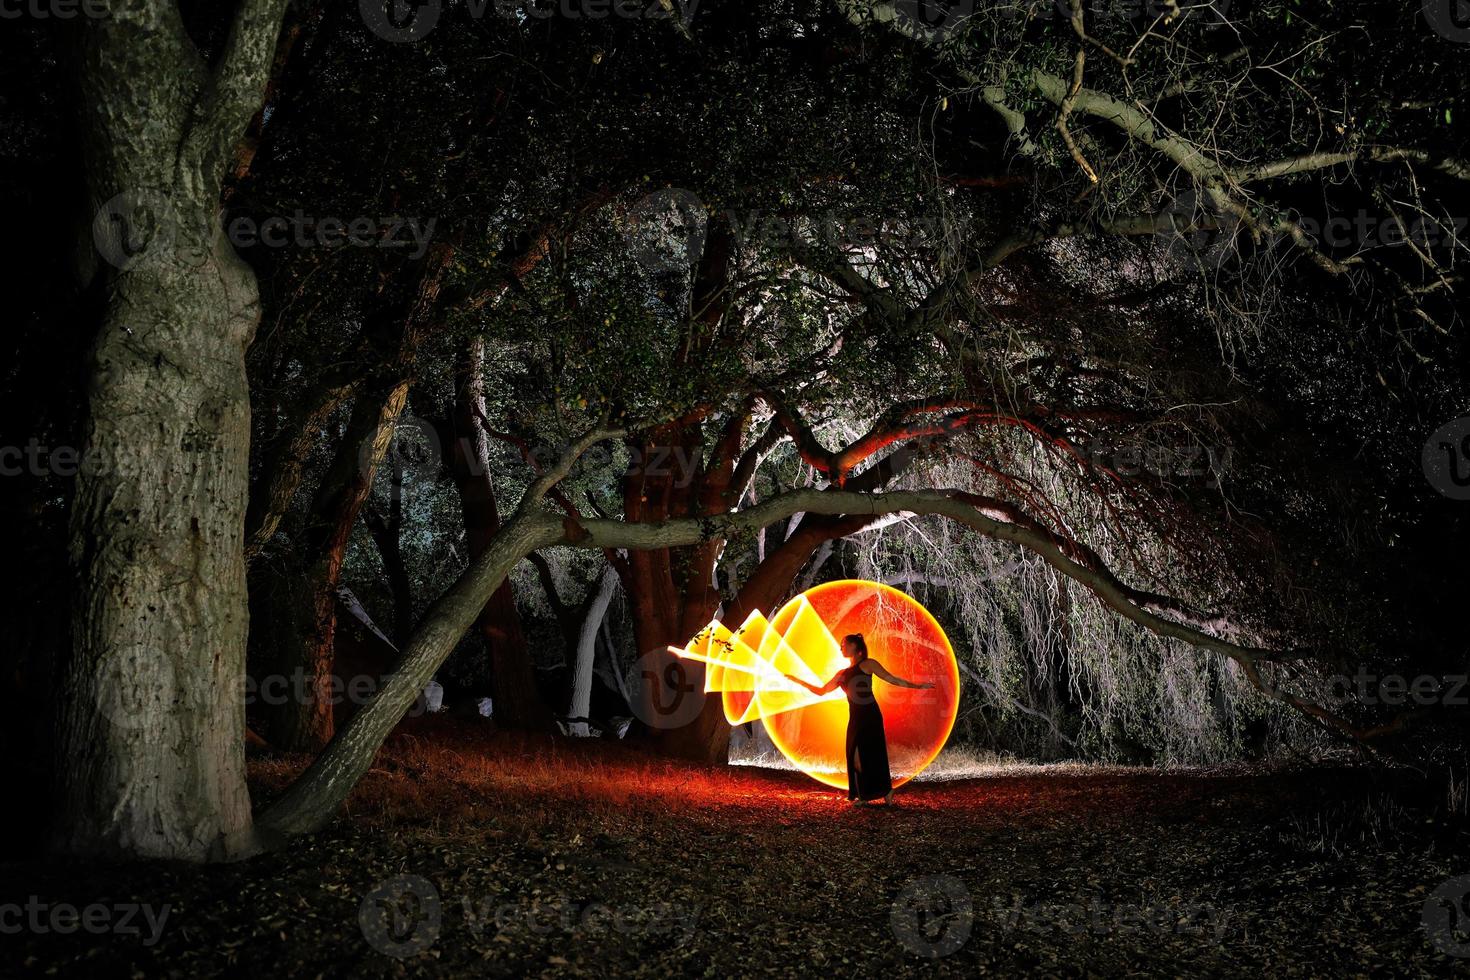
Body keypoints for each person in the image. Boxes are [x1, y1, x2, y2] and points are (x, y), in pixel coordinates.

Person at [785, 633, 933, 805]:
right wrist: (797, 681)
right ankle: (873, 792)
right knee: (854, 756)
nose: (841, 647)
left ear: (855, 647)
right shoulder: (842, 674)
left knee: (873, 753)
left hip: (870, 714)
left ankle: (878, 793)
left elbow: (891, 679)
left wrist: (918, 686)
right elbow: (821, 691)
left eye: (844, 644)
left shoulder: (867, 664)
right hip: (855, 718)